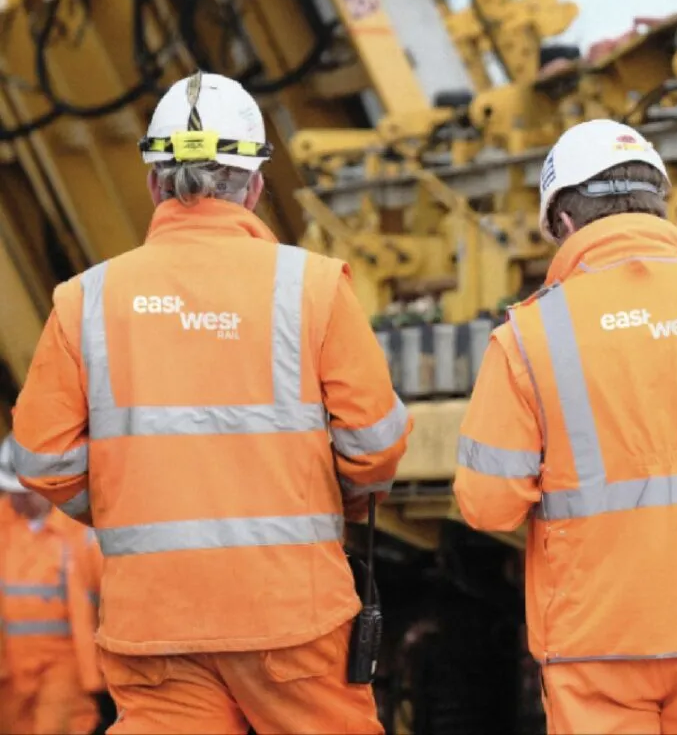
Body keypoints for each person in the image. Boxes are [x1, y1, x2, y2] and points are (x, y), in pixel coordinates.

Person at [11, 72, 412, 735]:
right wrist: (324, 503)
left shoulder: (85, 300)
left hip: (157, 617)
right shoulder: (310, 287)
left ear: (153, 184)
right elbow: (374, 445)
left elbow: (41, 458)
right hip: (292, 609)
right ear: (253, 186)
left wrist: (130, 510)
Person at [453, 118, 677, 735]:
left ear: (563, 222)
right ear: (659, 204)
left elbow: (488, 506)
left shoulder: (528, 338)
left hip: (596, 642)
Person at [0, 433, 106, 735]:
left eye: (20, 492)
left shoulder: (80, 532)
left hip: (65, 663)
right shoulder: (5, 524)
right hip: (12, 666)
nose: (14, 499)